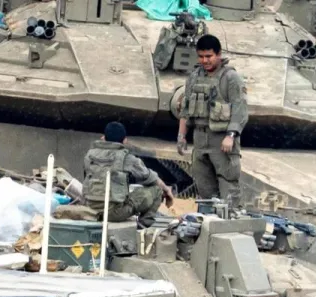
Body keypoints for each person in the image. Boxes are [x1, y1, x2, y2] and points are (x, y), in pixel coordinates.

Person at [176, 34, 247, 205]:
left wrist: (231, 135)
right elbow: (185, 110)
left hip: (221, 140)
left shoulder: (230, 78)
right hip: (200, 139)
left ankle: (230, 223)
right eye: (201, 56)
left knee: (228, 185)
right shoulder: (193, 77)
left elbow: (240, 109)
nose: (205, 60)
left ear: (219, 54)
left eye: (209, 56)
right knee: (204, 187)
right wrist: (181, 136)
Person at [83, 122, 175, 228]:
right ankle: (143, 225)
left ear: (103, 138)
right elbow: (150, 177)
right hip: (114, 213)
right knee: (157, 190)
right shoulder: (127, 158)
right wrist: (167, 190)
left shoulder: (89, 155)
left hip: (90, 210)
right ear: (125, 141)